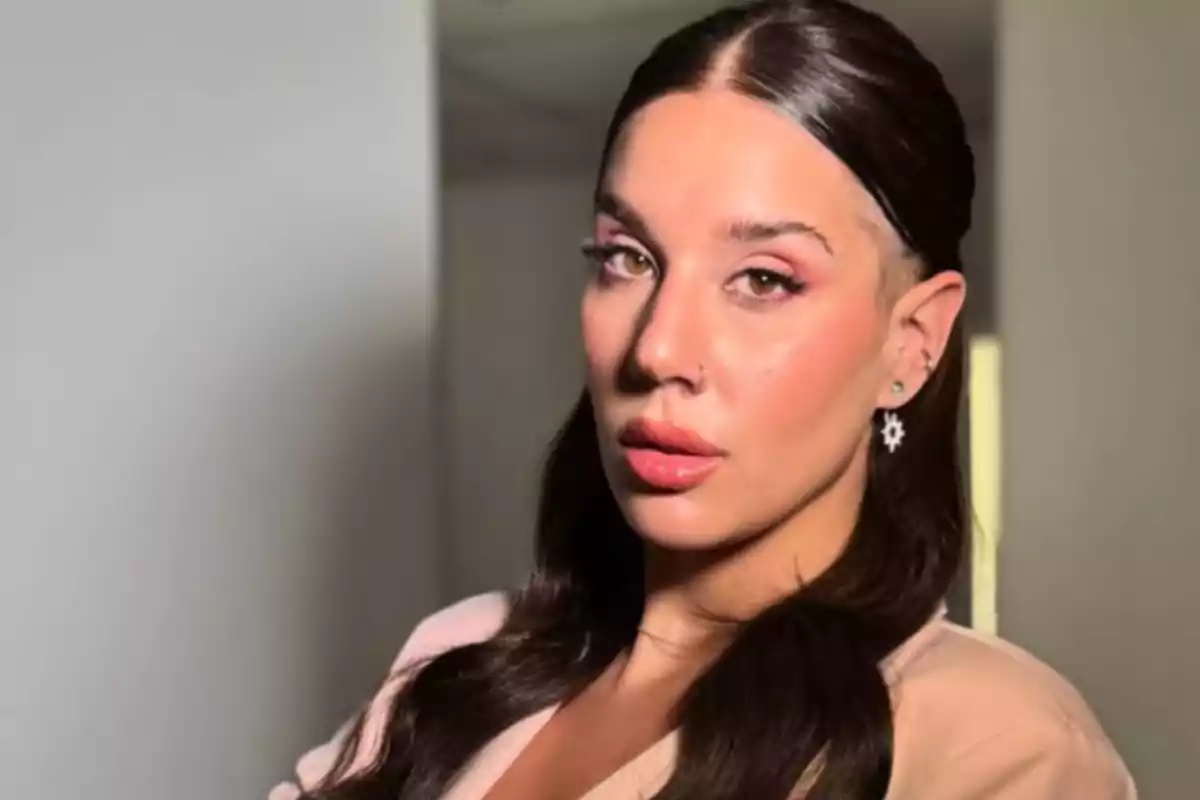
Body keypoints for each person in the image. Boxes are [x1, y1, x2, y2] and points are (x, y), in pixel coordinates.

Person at [272, 1, 1135, 797]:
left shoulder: (992, 744)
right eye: (628, 258)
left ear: (911, 342)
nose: (658, 350)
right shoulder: (457, 661)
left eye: (763, 278)